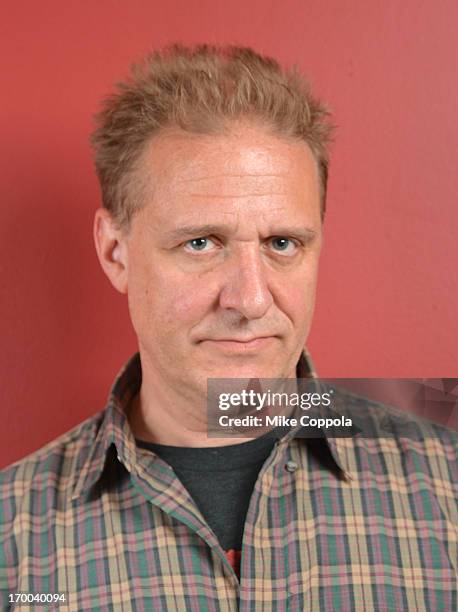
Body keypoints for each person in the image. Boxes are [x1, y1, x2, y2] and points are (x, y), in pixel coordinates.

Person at [0, 44, 456, 611]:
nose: (250, 298)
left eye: (282, 243)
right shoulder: (11, 541)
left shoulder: (448, 484)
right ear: (116, 252)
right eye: (200, 243)